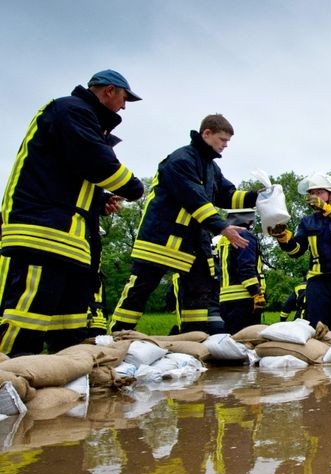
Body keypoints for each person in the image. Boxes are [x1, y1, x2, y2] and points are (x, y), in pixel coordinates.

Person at [0, 69, 145, 355]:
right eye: (124, 98)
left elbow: (68, 177)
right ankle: (8, 377)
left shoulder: (82, 118)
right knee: (26, 319)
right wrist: (134, 187)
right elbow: (97, 162)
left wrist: (99, 200)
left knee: (69, 327)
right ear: (108, 91)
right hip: (42, 233)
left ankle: (61, 388)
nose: (124, 107)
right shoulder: (71, 110)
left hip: (68, 240)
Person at [110, 113, 257, 334]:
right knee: (141, 289)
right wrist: (222, 227)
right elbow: (194, 198)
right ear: (206, 133)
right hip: (161, 238)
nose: (226, 146)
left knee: (198, 294)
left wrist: (259, 197)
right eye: (223, 140)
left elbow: (227, 195)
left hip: (192, 243)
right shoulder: (181, 160)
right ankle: (117, 336)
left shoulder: (210, 167)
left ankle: (192, 341)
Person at [266, 173, 331, 334]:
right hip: (318, 283)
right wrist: (284, 237)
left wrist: (327, 209)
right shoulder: (307, 222)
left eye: (319, 192)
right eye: (312, 193)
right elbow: (296, 251)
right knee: (316, 331)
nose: (314, 196)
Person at [215, 209, 265, 333]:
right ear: (249, 219)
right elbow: (246, 268)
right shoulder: (245, 235)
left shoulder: (223, 239)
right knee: (247, 340)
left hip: (226, 300)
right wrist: (256, 293)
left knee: (232, 341)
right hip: (244, 298)